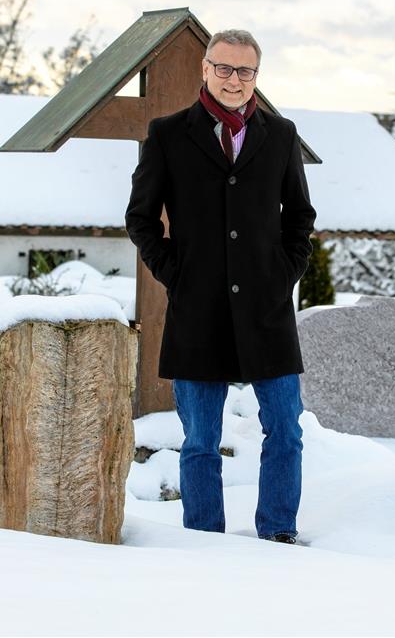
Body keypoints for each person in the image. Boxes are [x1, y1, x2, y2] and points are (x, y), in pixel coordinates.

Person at [125, 29, 317, 544]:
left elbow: (300, 216)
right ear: (205, 69)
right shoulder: (167, 135)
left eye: (245, 71)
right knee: (200, 441)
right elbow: (140, 219)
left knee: (286, 432)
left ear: (257, 75)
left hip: (267, 312)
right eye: (224, 68)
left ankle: (278, 532)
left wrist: (283, 272)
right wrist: (176, 273)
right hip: (198, 312)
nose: (234, 80)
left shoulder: (280, 136)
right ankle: (203, 539)